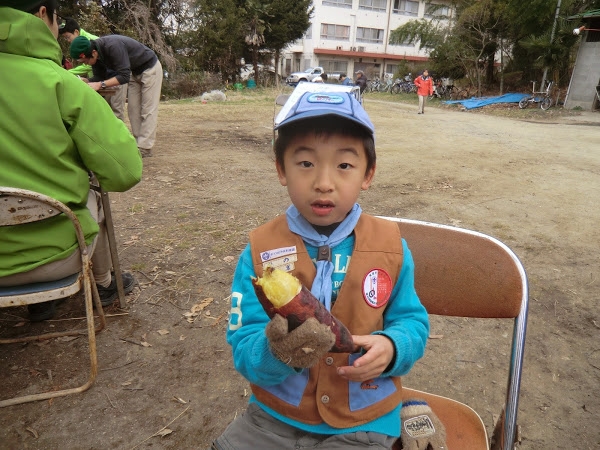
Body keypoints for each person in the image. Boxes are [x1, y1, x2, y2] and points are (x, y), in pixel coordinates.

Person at [211, 91, 431, 449]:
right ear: (281, 169)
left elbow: (413, 323)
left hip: (366, 416)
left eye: (344, 165)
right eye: (306, 164)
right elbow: (243, 343)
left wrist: (393, 347)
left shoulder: (390, 247)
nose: (324, 182)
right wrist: (276, 353)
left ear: (368, 174)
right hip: (275, 415)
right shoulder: (260, 252)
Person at [0, 0, 142, 321]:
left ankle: (38, 303)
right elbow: (126, 172)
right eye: (57, 21)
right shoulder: (61, 83)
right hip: (56, 256)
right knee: (96, 197)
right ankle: (105, 286)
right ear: (41, 13)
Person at [69, 34, 162, 158]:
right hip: (135, 73)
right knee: (133, 109)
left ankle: (145, 147)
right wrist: (88, 81)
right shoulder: (96, 55)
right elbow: (99, 77)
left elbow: (123, 76)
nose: (86, 64)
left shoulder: (113, 46)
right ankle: (138, 144)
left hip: (150, 68)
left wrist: (100, 84)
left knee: (148, 109)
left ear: (93, 53)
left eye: (85, 61)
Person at [58, 17, 127, 121]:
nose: (68, 41)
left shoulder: (92, 42)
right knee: (104, 111)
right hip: (98, 80)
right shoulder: (79, 45)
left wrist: (68, 73)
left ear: (76, 32)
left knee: (116, 112)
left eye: (68, 37)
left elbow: (87, 66)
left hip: (114, 78)